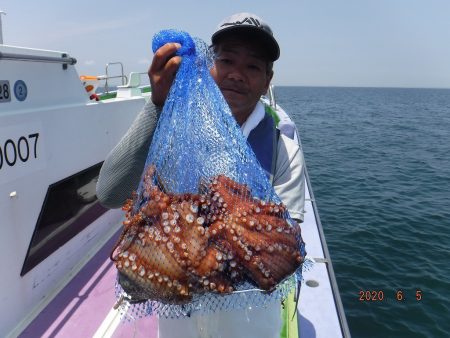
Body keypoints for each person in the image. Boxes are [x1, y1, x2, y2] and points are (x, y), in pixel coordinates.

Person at [96, 12, 305, 338]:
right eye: (227, 60)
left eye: (252, 66)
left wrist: (203, 243)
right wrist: (158, 106)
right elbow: (109, 193)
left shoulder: (282, 145)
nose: (237, 74)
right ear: (210, 67)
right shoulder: (171, 127)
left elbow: (284, 247)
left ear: (267, 79)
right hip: (180, 319)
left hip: (251, 319)